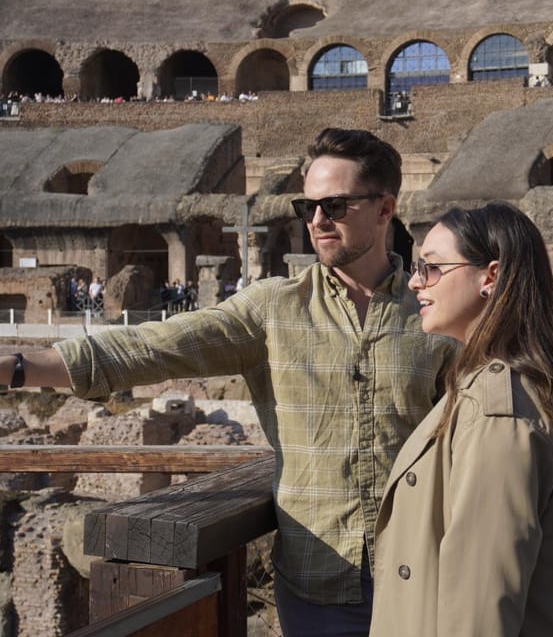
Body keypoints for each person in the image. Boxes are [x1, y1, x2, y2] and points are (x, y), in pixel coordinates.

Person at [0, 127, 458, 636]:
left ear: (384, 209)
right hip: (320, 584)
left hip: (427, 576)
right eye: (306, 208)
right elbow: (150, 347)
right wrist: (17, 367)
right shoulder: (273, 308)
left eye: (335, 205)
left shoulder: (436, 312)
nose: (318, 220)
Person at [369, 202, 553, 637]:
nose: (415, 280)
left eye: (433, 267)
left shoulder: (499, 413)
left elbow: (482, 602)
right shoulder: (542, 382)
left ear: (490, 276)